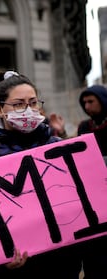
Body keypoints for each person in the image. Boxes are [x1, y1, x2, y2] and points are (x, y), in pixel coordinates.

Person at [0, 71, 81, 279]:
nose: (28, 110)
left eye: (33, 102)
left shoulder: (57, 146)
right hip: (6, 270)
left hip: (58, 264)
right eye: (19, 104)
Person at [75, 84, 107, 278]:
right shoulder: (84, 127)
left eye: (91, 101)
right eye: (84, 102)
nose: (87, 106)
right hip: (92, 195)